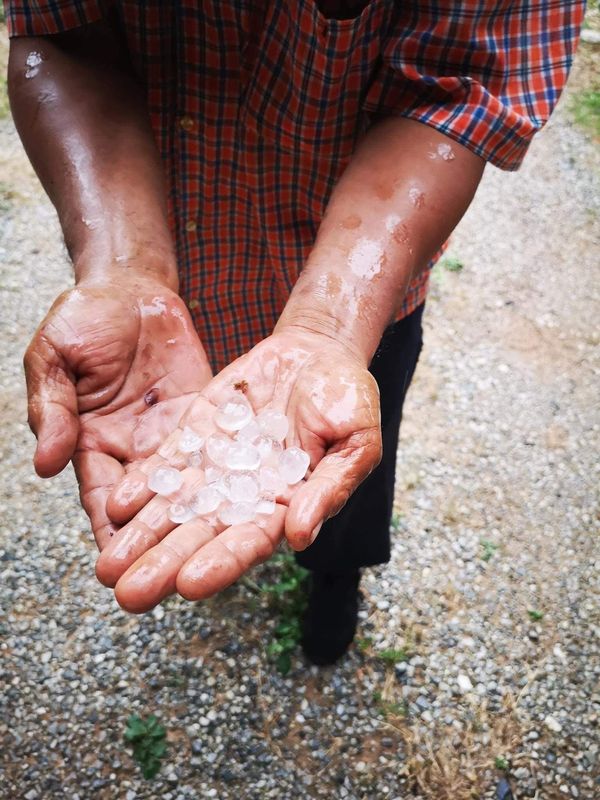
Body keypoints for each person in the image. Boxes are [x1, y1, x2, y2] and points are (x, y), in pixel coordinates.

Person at [5, 0, 584, 664]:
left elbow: (456, 88)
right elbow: (63, 39)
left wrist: (333, 326)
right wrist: (122, 264)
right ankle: (239, 536)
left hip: (360, 297)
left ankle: (338, 576)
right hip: (174, 301)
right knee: (195, 423)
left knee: (346, 453)